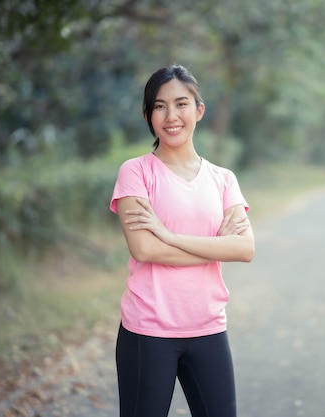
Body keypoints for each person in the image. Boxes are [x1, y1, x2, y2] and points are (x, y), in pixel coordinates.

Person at [109, 64, 255, 417]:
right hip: (148, 330)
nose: (171, 116)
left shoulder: (223, 179)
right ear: (148, 115)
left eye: (181, 104)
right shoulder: (136, 171)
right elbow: (144, 248)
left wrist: (169, 236)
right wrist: (214, 247)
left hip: (208, 328)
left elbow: (244, 249)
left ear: (199, 110)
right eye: (159, 106)